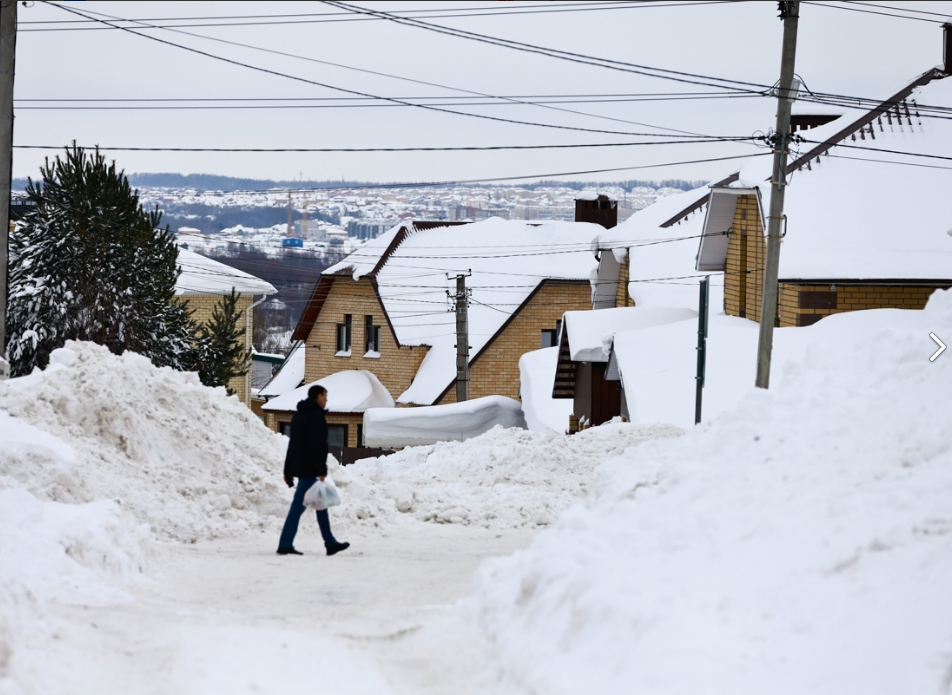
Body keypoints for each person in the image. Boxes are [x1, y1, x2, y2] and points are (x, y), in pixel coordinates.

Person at [277, 384, 350, 557]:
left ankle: (330, 543)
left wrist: (288, 470)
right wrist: (321, 469)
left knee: (320, 504)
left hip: (301, 466)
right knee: (298, 506)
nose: (326, 399)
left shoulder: (299, 416)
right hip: (309, 469)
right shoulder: (316, 416)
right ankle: (285, 544)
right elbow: (317, 445)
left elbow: (292, 445)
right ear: (318, 396)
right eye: (325, 396)